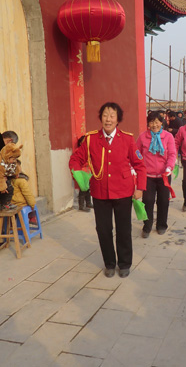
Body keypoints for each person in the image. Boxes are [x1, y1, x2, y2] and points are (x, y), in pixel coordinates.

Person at [69, 102, 146, 278]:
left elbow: (140, 165)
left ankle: (125, 263)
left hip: (123, 191)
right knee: (103, 230)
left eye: (112, 115)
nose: (108, 119)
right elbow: (75, 159)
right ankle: (110, 263)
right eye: (105, 115)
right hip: (100, 192)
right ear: (100, 118)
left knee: (123, 229)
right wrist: (79, 175)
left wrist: (140, 187)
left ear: (118, 119)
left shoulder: (127, 139)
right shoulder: (90, 139)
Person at [136, 111, 177, 238]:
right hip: (147, 176)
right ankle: (147, 226)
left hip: (164, 175)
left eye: (157, 121)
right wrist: (136, 168)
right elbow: (137, 154)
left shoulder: (168, 136)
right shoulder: (143, 137)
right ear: (148, 123)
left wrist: (169, 167)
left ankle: (161, 225)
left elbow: (172, 154)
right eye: (152, 122)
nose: (154, 124)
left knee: (163, 201)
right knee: (147, 200)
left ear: (161, 122)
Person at [0, 142, 22, 210]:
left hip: (4, 175)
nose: (14, 161)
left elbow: (15, 166)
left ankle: (5, 202)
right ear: (8, 156)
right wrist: (1, 187)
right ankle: (3, 203)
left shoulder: (10, 159)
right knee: (7, 189)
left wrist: (16, 173)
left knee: (10, 188)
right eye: (13, 159)